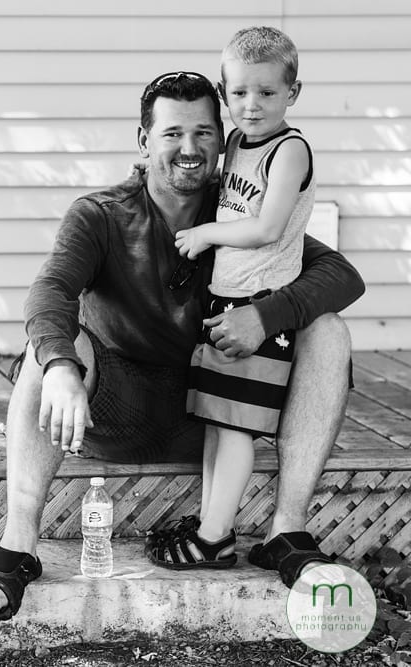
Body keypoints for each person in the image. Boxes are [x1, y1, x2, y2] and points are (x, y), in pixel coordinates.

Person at [0, 70, 364, 622]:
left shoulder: (240, 211)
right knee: (51, 345)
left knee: (328, 329)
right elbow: (50, 290)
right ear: (144, 140)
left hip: (212, 416)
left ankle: (287, 531)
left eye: (203, 132)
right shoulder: (100, 214)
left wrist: (263, 315)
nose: (190, 149)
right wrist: (60, 367)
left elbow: (340, 273)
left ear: (222, 140)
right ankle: (17, 544)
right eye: (173, 133)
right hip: (114, 409)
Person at [147, 27, 315, 571]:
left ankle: (216, 537)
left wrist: (206, 235)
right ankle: (209, 527)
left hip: (259, 309)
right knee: (219, 422)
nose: (252, 105)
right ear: (225, 93)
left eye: (267, 92)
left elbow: (266, 227)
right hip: (224, 304)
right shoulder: (241, 142)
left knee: (237, 426)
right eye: (239, 93)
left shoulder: (289, 150)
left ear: (293, 92)